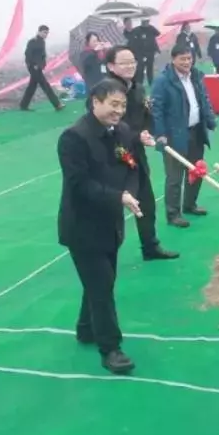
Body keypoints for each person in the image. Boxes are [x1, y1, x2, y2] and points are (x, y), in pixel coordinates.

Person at [56, 78, 145, 374]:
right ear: (95, 102)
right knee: (101, 286)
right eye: (113, 104)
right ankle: (111, 349)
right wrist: (118, 196)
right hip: (83, 226)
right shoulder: (73, 138)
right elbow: (80, 184)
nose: (118, 111)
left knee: (100, 282)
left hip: (112, 222)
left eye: (123, 105)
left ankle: (86, 328)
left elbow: (132, 167)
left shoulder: (122, 132)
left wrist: (128, 193)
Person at [103, 46, 178, 261]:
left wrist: (148, 131)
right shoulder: (107, 91)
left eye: (132, 61)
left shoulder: (136, 87)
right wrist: (137, 136)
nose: (130, 66)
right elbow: (110, 125)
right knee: (112, 206)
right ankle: (104, 253)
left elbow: (143, 117)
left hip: (136, 154)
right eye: (124, 62)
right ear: (111, 66)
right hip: (113, 156)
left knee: (146, 201)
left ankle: (150, 246)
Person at [151, 43, 216, 228]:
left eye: (189, 58)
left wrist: (210, 119)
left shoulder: (196, 76)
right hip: (174, 135)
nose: (187, 62)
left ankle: (190, 204)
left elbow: (204, 99)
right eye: (183, 59)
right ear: (173, 59)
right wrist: (160, 134)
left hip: (196, 131)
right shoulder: (163, 81)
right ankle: (173, 214)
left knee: (197, 170)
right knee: (174, 177)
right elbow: (156, 110)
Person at [19, 25, 63, 112]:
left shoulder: (42, 42)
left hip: (39, 67)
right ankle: (57, 104)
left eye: (47, 33)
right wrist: (33, 65)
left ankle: (23, 105)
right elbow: (28, 54)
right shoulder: (33, 41)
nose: (45, 34)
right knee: (45, 85)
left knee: (32, 86)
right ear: (39, 32)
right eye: (44, 32)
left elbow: (42, 55)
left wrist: (43, 65)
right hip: (34, 67)